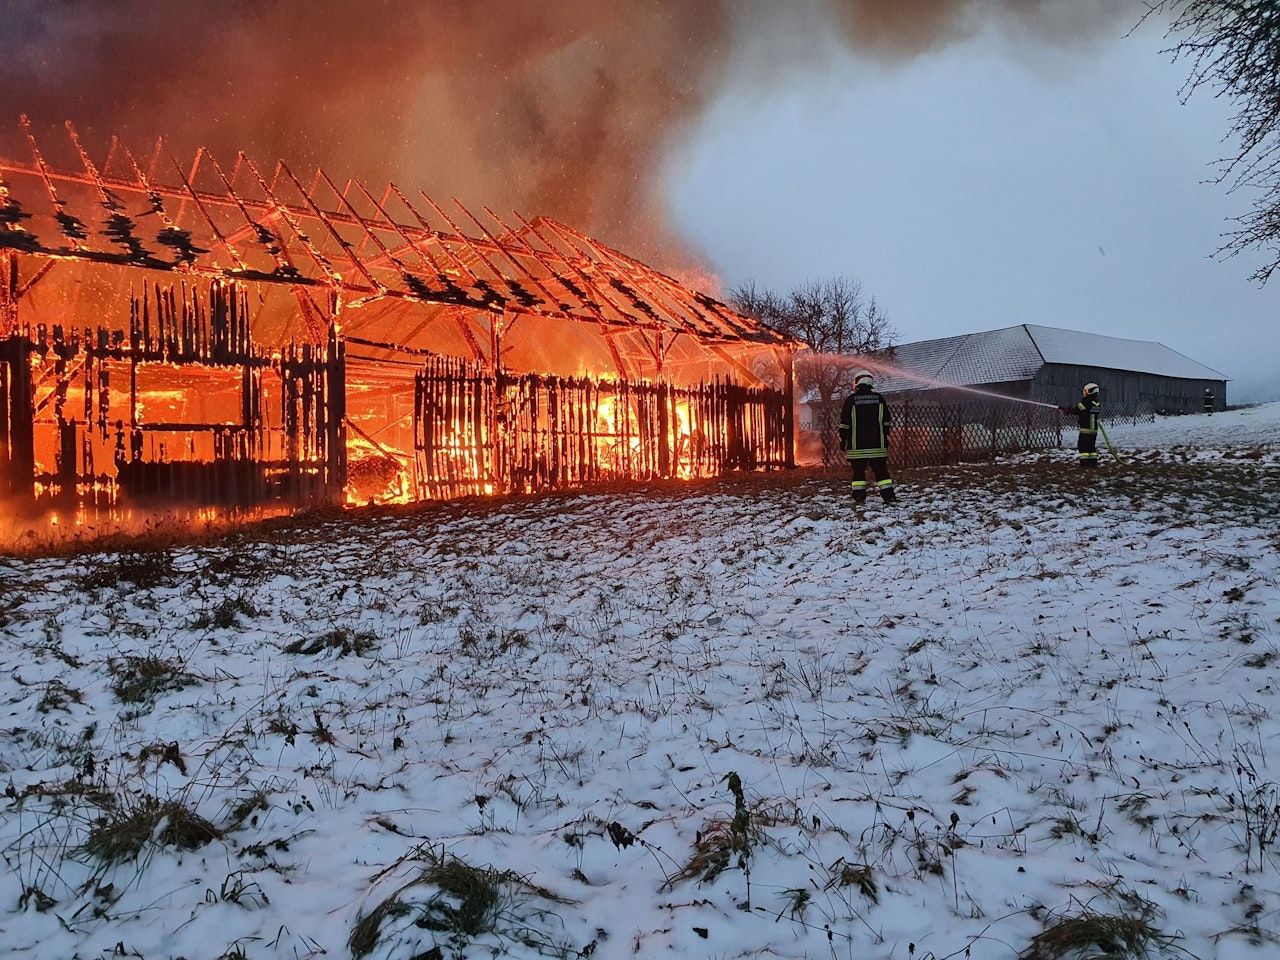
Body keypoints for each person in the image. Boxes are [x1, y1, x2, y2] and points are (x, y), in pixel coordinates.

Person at [839, 370, 896, 505]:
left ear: (857, 382)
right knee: (881, 472)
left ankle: (859, 497)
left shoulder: (851, 400)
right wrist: (886, 436)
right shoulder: (879, 399)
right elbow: (887, 421)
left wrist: (843, 439)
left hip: (856, 445)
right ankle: (888, 496)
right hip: (878, 445)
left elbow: (845, 422)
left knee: (858, 473)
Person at [1060, 383, 1101, 469]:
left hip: (1085, 429)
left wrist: (1068, 410)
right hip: (1093, 430)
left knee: (1083, 447)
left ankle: (1084, 464)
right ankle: (1093, 463)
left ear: (1089, 392)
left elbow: (1077, 410)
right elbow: (1085, 412)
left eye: (1085, 391)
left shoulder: (1085, 402)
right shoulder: (1097, 403)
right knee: (1091, 447)